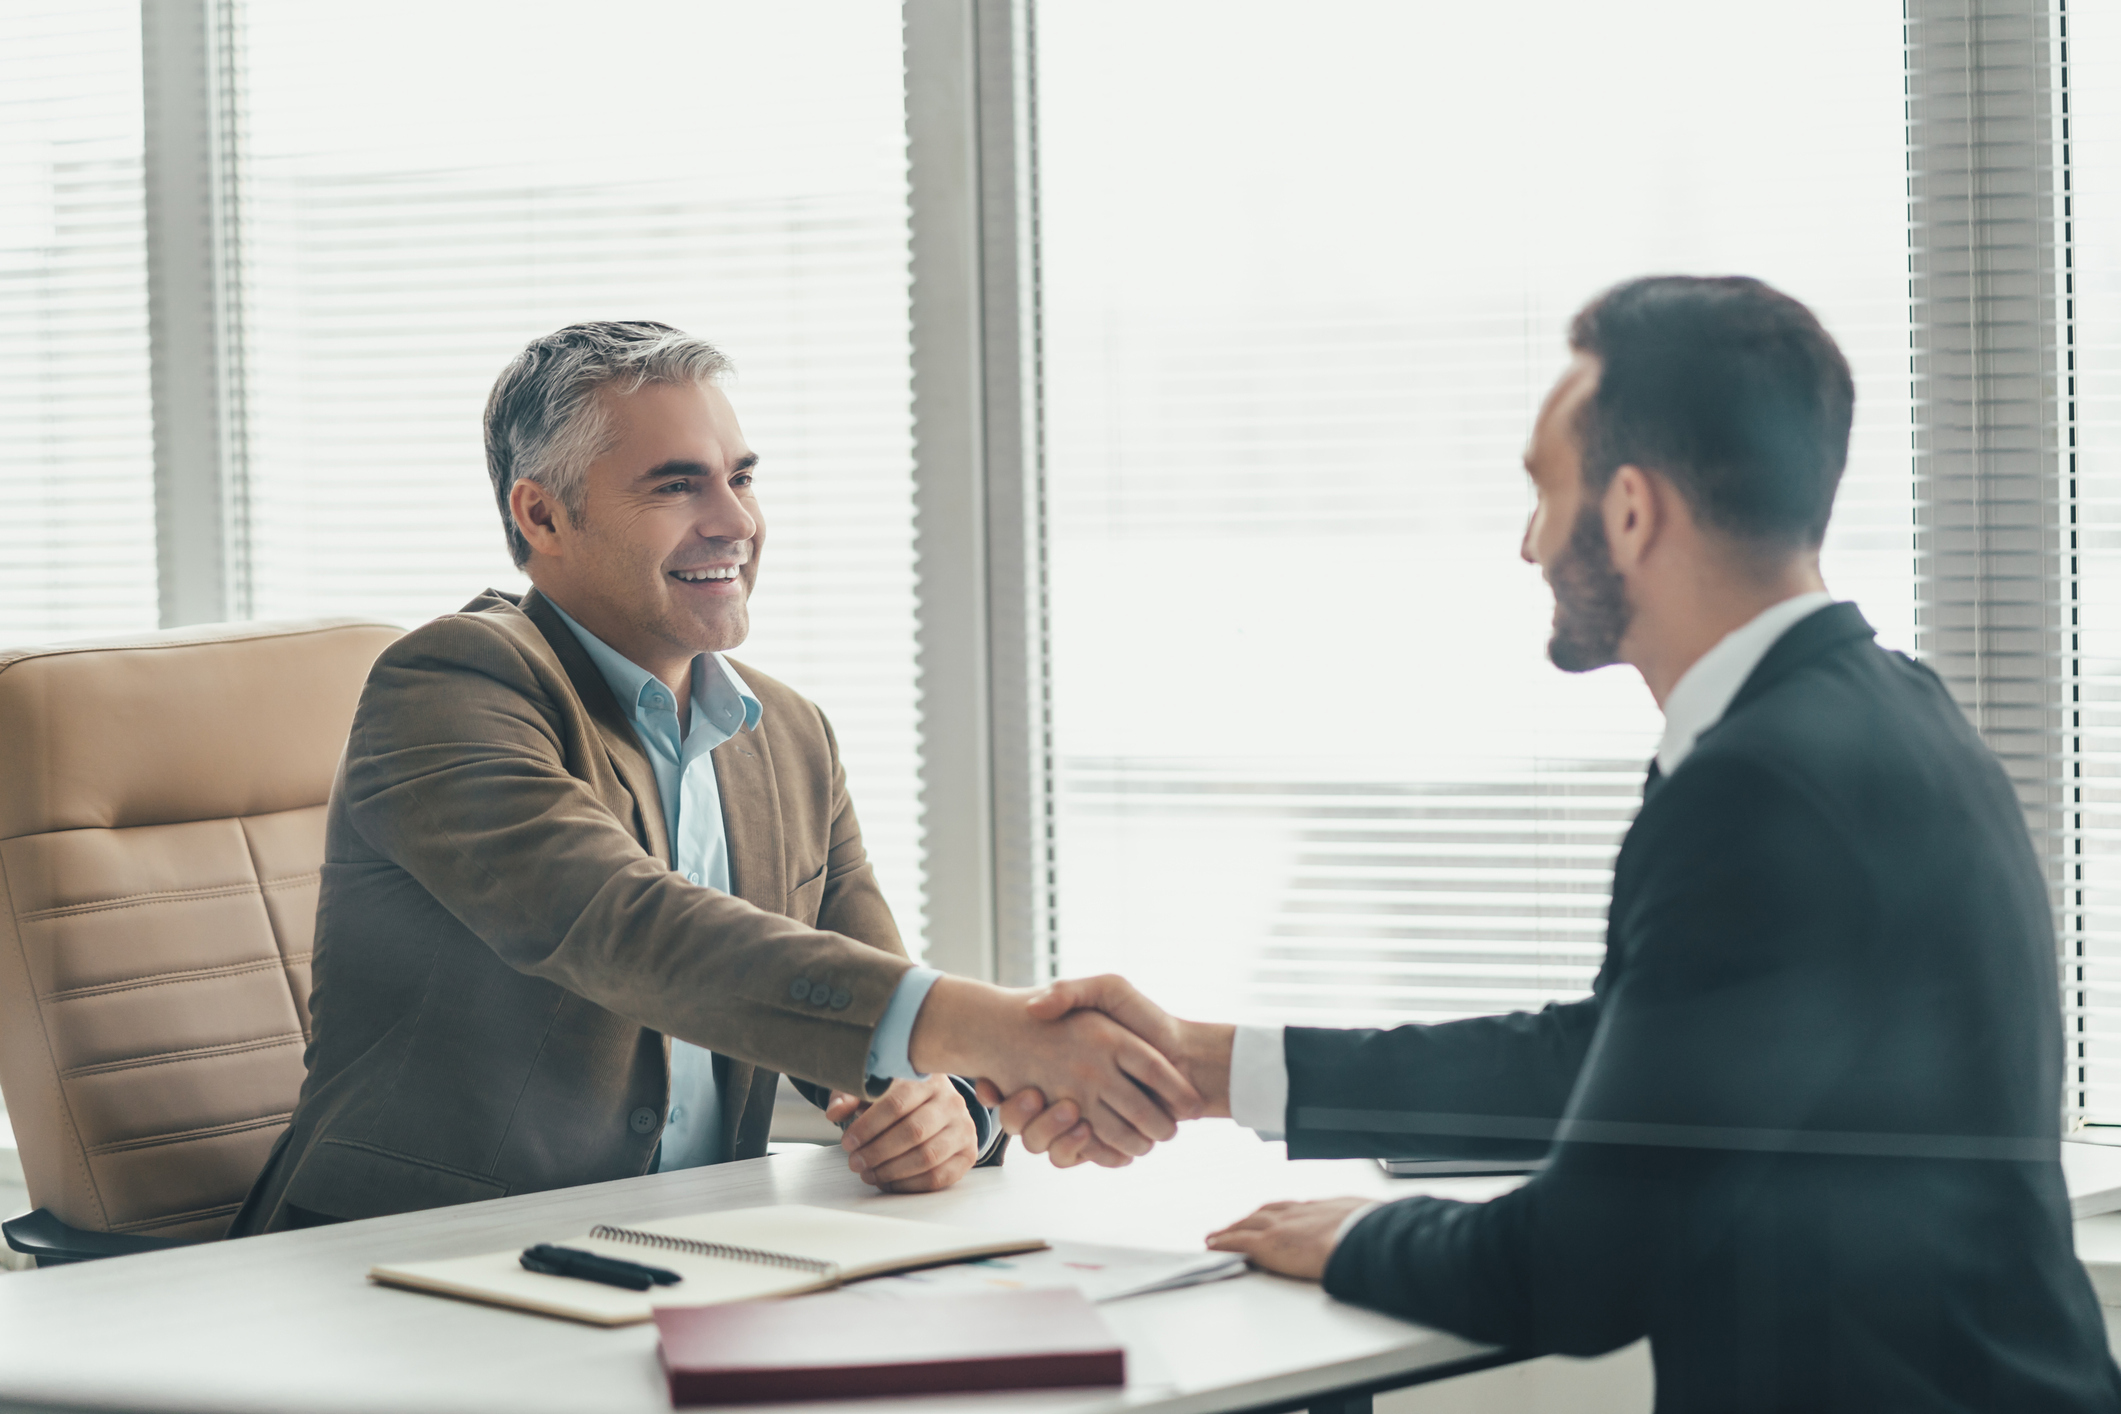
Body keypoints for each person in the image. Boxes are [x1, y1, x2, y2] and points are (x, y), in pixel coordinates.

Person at [990, 277, 2121, 1411]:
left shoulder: (1759, 785)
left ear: (1631, 511)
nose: (1529, 543)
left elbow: (1579, 1269)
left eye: (1546, 488)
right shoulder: (1889, 711)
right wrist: (1211, 1066)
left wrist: (1359, 1237)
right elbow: (1619, 1064)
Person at [233, 322, 1197, 1235]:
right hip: (404, 1270)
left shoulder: (786, 736)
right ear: (541, 513)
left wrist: (943, 1105)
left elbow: (863, 1005)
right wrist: (997, 1031)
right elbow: (622, 925)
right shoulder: (452, 684)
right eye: (676, 486)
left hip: (684, 1258)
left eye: (739, 478)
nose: (735, 520)